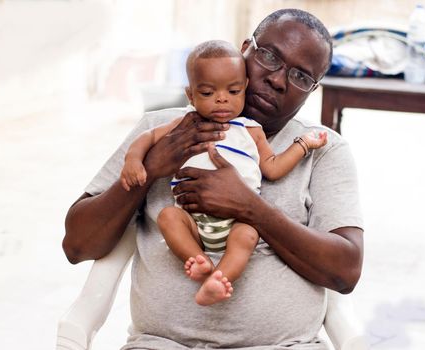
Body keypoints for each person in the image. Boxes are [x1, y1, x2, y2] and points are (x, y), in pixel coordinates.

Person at [63, 8, 363, 349]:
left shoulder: (322, 150)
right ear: (245, 49)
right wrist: (149, 171)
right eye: (269, 57)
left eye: (301, 77)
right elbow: (77, 244)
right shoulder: (162, 130)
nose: (278, 80)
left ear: (313, 89)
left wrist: (251, 208)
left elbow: (345, 270)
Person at [119, 39, 328, 306]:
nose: (221, 99)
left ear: (245, 89)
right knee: (168, 217)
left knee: (248, 235)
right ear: (191, 95)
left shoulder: (251, 131)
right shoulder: (185, 123)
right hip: (190, 219)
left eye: (233, 91)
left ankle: (219, 278)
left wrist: (304, 144)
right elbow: (148, 136)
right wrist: (134, 161)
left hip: (235, 221)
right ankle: (197, 259)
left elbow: (273, 167)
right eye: (207, 93)